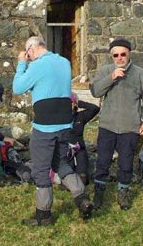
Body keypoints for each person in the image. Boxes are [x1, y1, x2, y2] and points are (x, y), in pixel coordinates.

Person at [13, 36, 93, 226]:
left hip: (45, 126)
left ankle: (43, 216)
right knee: (61, 162)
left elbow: (18, 87)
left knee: (40, 171)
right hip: (65, 124)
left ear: (32, 48)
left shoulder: (37, 66)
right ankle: (82, 198)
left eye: (28, 52)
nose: (28, 56)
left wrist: (21, 64)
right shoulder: (64, 62)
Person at [90, 38, 143, 211]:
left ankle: (123, 194)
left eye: (123, 54)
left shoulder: (140, 74)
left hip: (130, 127)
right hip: (107, 125)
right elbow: (95, 91)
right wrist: (111, 77)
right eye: (115, 55)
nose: (119, 58)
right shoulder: (105, 71)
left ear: (129, 54)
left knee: (125, 164)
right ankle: (99, 193)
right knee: (102, 161)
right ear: (112, 57)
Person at [67, 93, 99, 186]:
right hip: (66, 150)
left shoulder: (80, 116)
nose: (70, 105)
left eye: (72, 102)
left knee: (83, 177)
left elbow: (95, 109)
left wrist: (80, 102)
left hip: (80, 149)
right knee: (68, 175)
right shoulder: (60, 117)